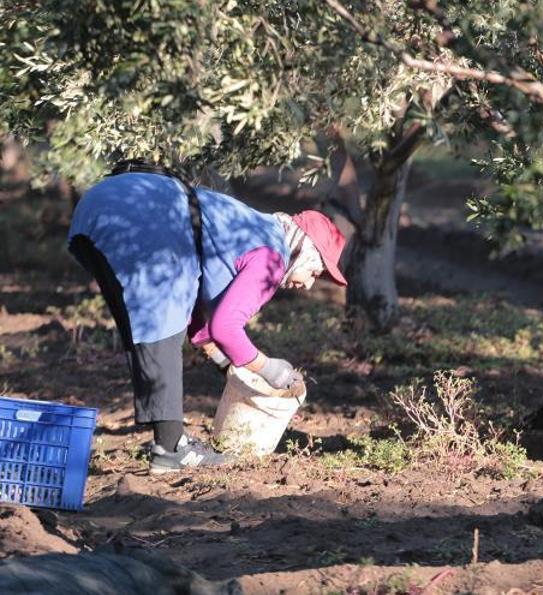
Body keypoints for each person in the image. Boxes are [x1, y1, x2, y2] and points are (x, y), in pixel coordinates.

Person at [68, 166, 348, 473]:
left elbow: (200, 309)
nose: (308, 285)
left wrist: (224, 362)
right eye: (315, 272)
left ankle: (169, 445)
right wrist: (270, 370)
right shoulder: (272, 257)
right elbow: (225, 326)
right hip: (140, 218)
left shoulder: (255, 228)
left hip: (99, 206)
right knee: (162, 325)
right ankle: (171, 450)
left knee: (149, 328)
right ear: (305, 251)